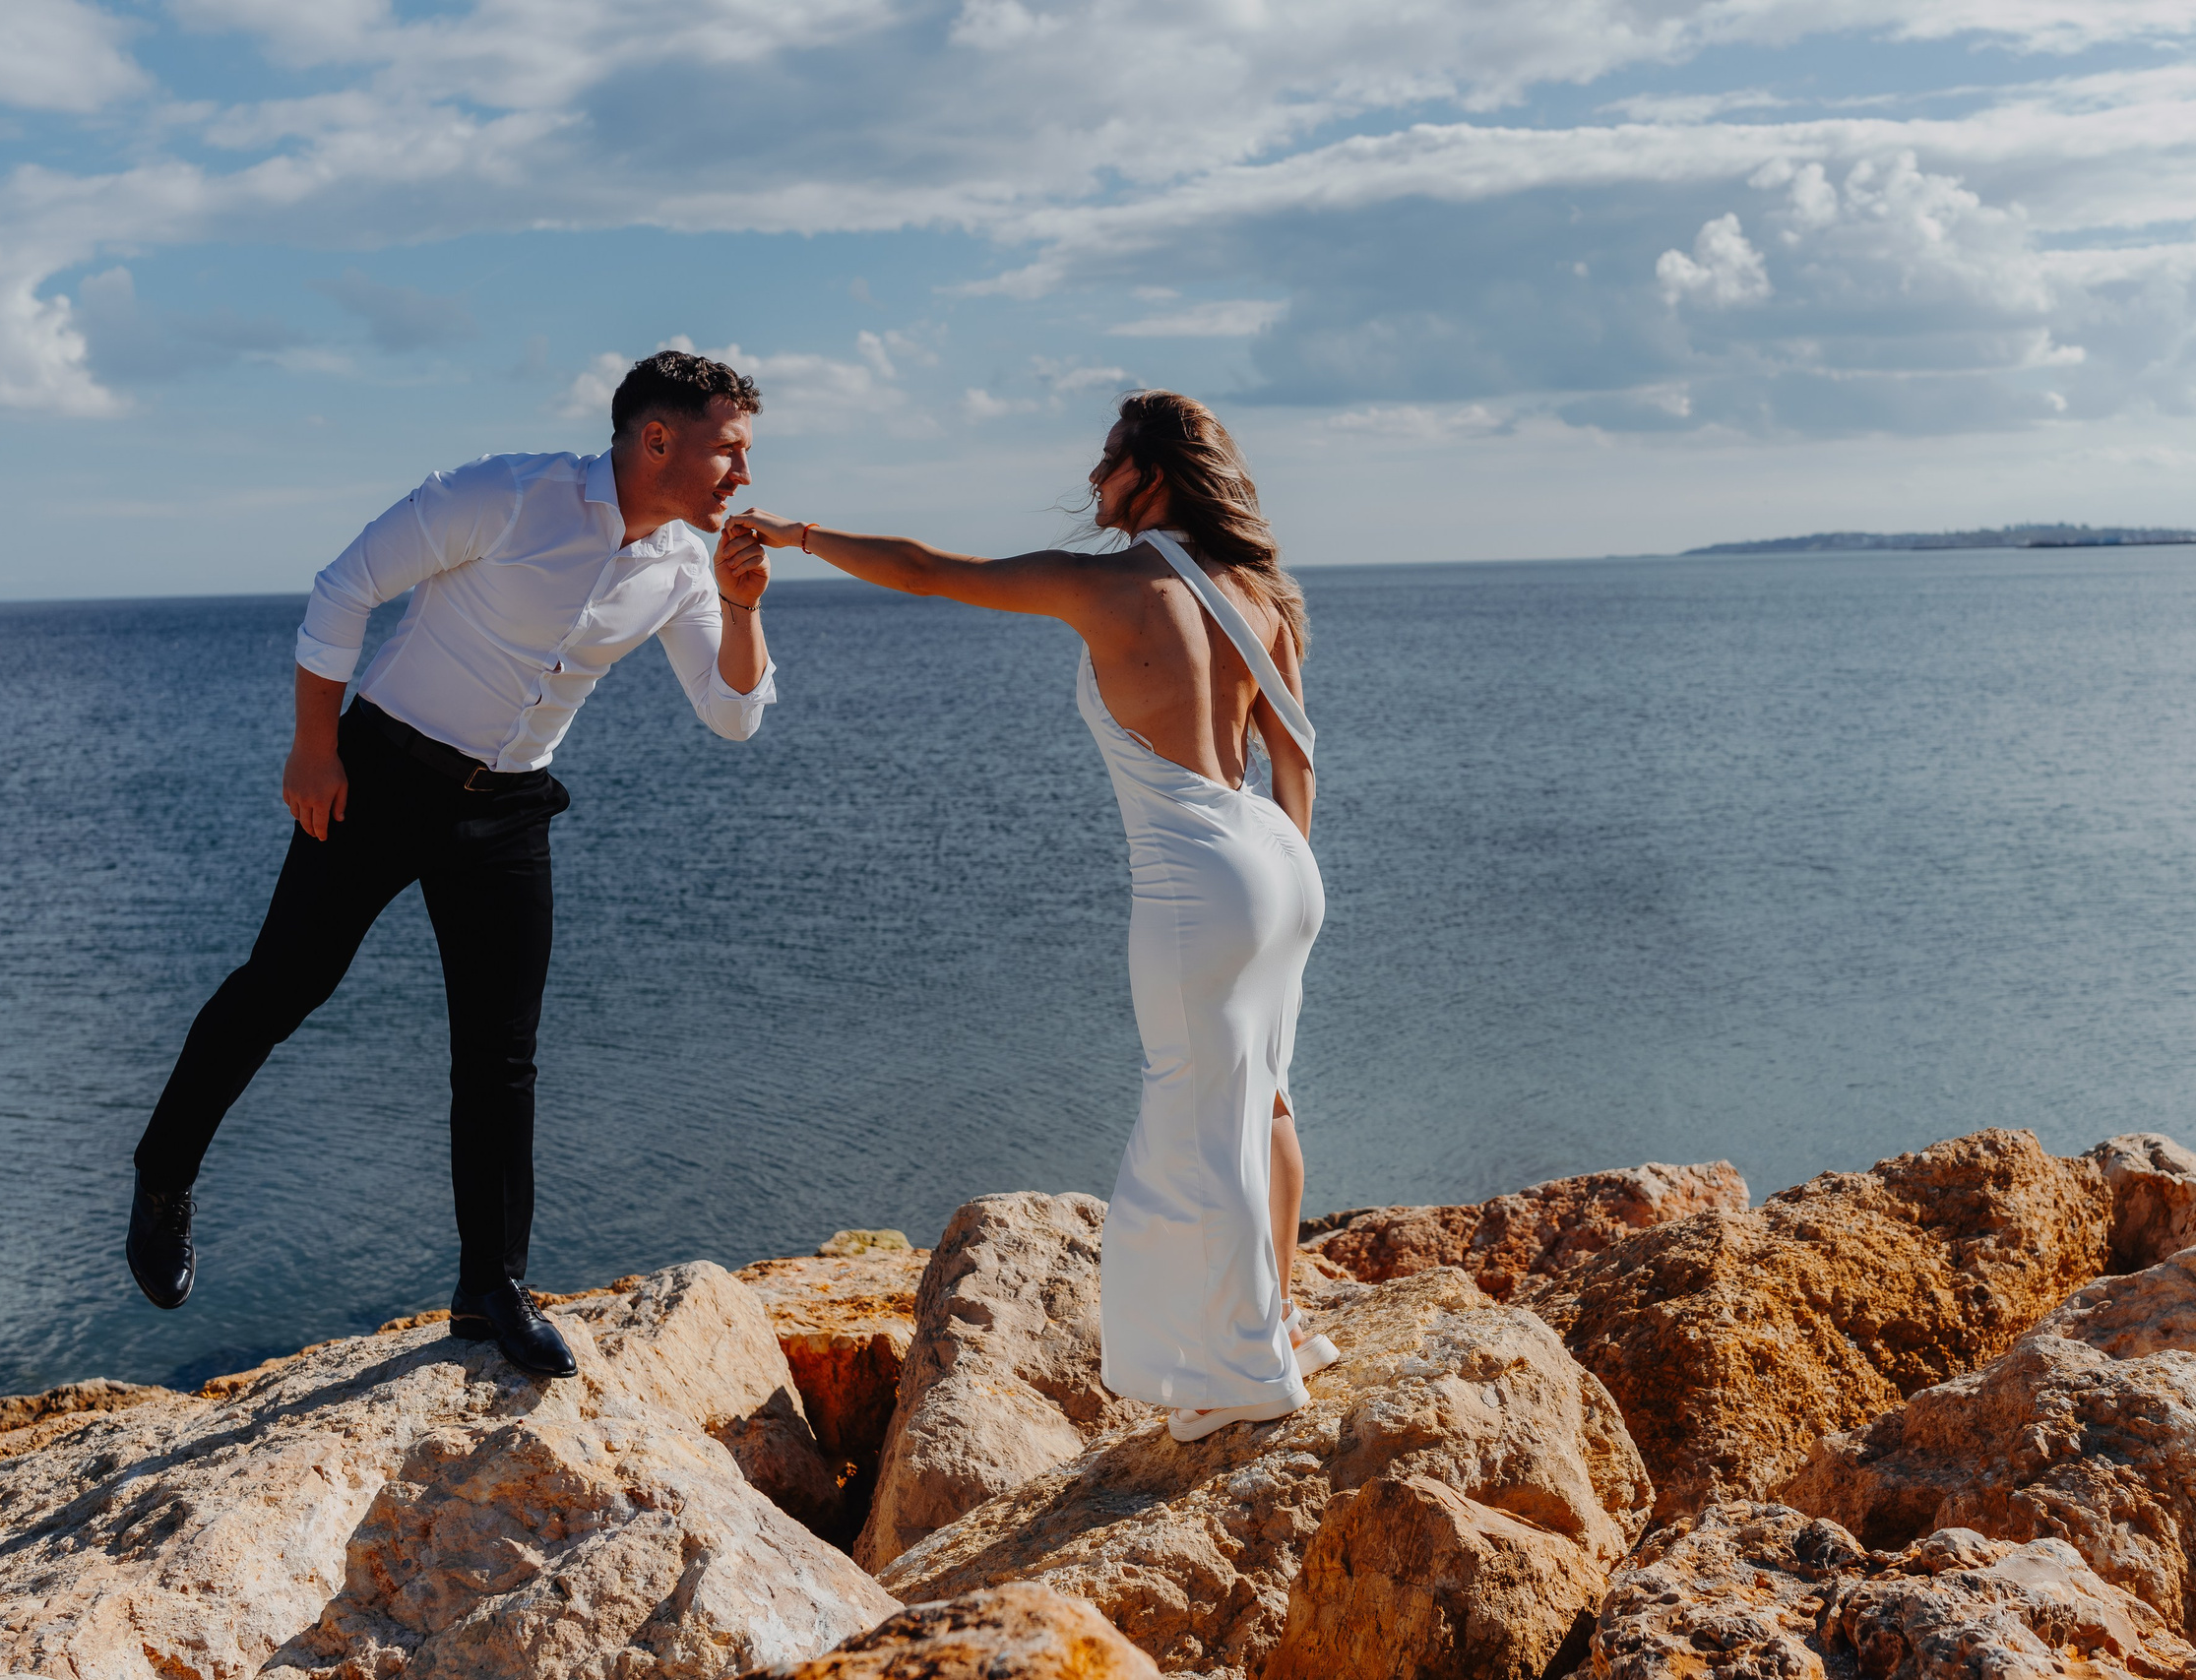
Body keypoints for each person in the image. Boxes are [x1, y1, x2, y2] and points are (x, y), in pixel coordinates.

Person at [125, 350, 779, 1379]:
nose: (742, 473)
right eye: (729, 450)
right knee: (284, 985)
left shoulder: (684, 567)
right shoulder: (504, 494)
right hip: (380, 775)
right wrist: (314, 746)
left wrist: (742, 607)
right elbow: (346, 589)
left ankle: (489, 1288)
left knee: (500, 1054)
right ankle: (163, 1174)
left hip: (510, 808)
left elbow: (733, 716)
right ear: (658, 439)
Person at [721, 389, 1334, 1441]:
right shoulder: (1252, 590)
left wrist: (799, 534)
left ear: (1148, 476)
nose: (1092, 483)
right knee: (1263, 1103)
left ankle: (1243, 1371)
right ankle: (1272, 1320)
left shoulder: (1108, 585)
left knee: (1193, 1121)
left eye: (1106, 463)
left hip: (1200, 872)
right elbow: (1296, 755)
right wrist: (1283, 870)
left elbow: (924, 568)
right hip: (1279, 860)